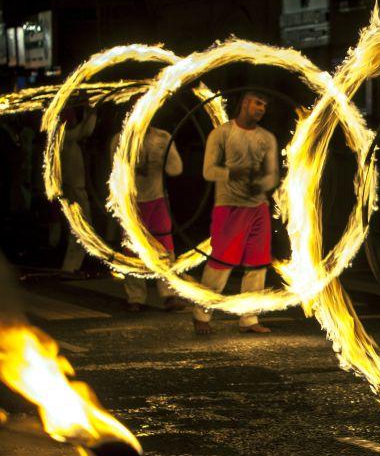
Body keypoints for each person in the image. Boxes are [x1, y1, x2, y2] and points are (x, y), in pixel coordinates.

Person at [192, 91, 278, 335]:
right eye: (258, 102)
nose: (261, 108)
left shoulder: (267, 138)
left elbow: (272, 174)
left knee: (258, 264)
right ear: (244, 102)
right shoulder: (221, 133)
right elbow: (208, 171)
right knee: (221, 262)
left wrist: (261, 185)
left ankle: (249, 318)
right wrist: (233, 174)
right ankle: (201, 314)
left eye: (264, 105)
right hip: (229, 205)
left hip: (258, 207)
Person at [109, 125, 185, 312]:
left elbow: (176, 169)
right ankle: (135, 297)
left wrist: (160, 161)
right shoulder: (121, 137)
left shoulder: (162, 137)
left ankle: (169, 294)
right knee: (132, 250)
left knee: (164, 249)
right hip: (131, 202)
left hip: (157, 200)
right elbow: (115, 169)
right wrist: (135, 165)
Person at [60, 107, 97, 272]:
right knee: (80, 228)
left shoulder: (66, 139)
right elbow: (86, 130)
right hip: (74, 190)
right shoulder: (65, 138)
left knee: (79, 229)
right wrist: (92, 111)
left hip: (73, 189)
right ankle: (71, 267)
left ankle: (73, 265)